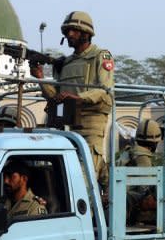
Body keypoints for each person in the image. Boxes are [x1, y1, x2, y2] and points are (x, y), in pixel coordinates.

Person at [30, 11, 114, 191]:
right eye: (67, 31)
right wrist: (40, 78)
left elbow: (105, 91)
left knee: (84, 180)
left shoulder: (101, 56)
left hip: (91, 123)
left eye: (74, 31)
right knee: (64, 177)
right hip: (67, 123)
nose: (69, 35)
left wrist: (78, 98)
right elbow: (54, 97)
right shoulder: (64, 63)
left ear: (86, 33)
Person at [124, 119, 162, 225]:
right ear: (155, 142)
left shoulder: (128, 152)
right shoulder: (143, 158)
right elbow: (144, 190)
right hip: (125, 208)